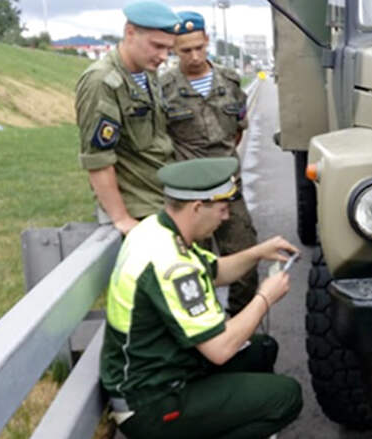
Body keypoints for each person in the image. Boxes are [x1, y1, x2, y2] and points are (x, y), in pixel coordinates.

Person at [99, 157, 303, 439]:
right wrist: (265, 298)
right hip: (151, 403)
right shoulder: (172, 265)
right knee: (287, 397)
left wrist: (258, 252)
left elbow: (215, 271)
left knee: (262, 349)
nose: (226, 217)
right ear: (197, 207)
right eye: (221, 208)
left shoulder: (156, 230)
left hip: (159, 372)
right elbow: (220, 349)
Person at [161, 11, 258, 316]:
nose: (193, 56)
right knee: (192, 268)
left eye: (198, 47)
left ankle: (239, 327)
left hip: (229, 190)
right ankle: (205, 328)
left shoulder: (229, 81)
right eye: (185, 50)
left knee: (245, 261)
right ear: (174, 49)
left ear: (206, 41)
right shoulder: (163, 89)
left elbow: (239, 128)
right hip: (190, 199)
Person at [75, 0, 180, 235]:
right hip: (139, 208)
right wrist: (121, 219)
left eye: (168, 49)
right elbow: (98, 159)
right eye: (156, 46)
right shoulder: (102, 82)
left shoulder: (147, 74)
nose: (163, 56)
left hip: (162, 196)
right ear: (130, 33)